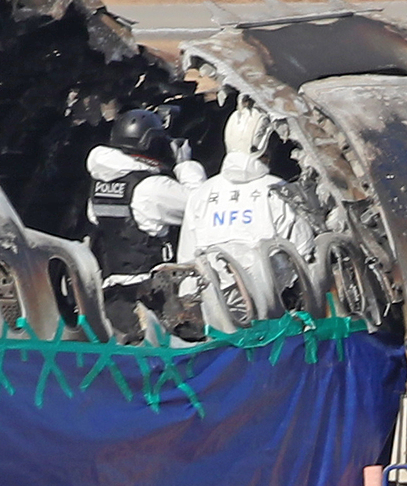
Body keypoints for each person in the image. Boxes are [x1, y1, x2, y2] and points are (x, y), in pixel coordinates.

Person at [86, 108, 205, 341]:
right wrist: (184, 164)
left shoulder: (100, 185)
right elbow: (201, 207)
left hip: (113, 296)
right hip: (153, 296)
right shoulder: (152, 188)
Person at [178, 100, 315, 301]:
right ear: (265, 145)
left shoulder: (201, 194)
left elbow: (187, 261)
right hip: (275, 310)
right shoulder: (279, 191)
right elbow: (304, 252)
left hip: (217, 314)